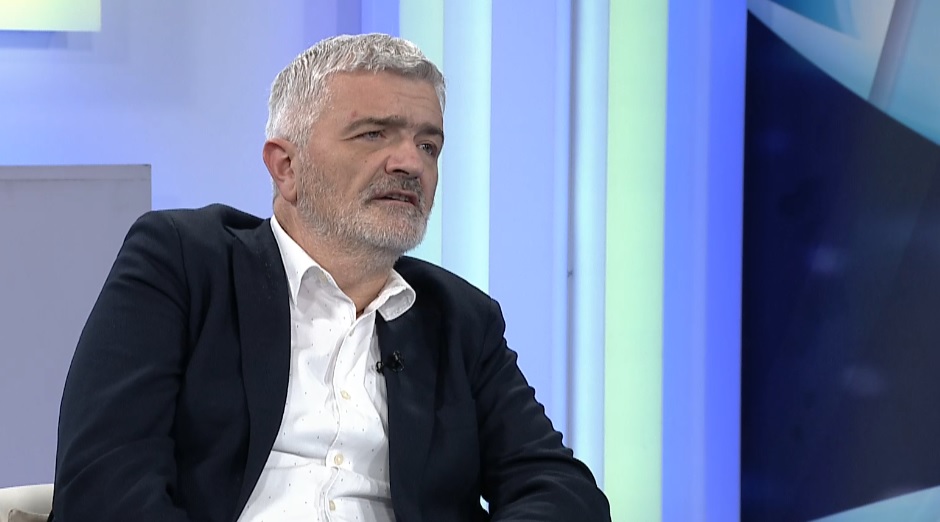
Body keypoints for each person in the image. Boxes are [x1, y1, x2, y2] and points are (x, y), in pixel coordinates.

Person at [50, 33, 610, 522]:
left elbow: (562, 492)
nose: (410, 163)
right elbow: (105, 483)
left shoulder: (460, 318)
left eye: (428, 145)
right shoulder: (183, 263)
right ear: (286, 167)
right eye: (373, 135)